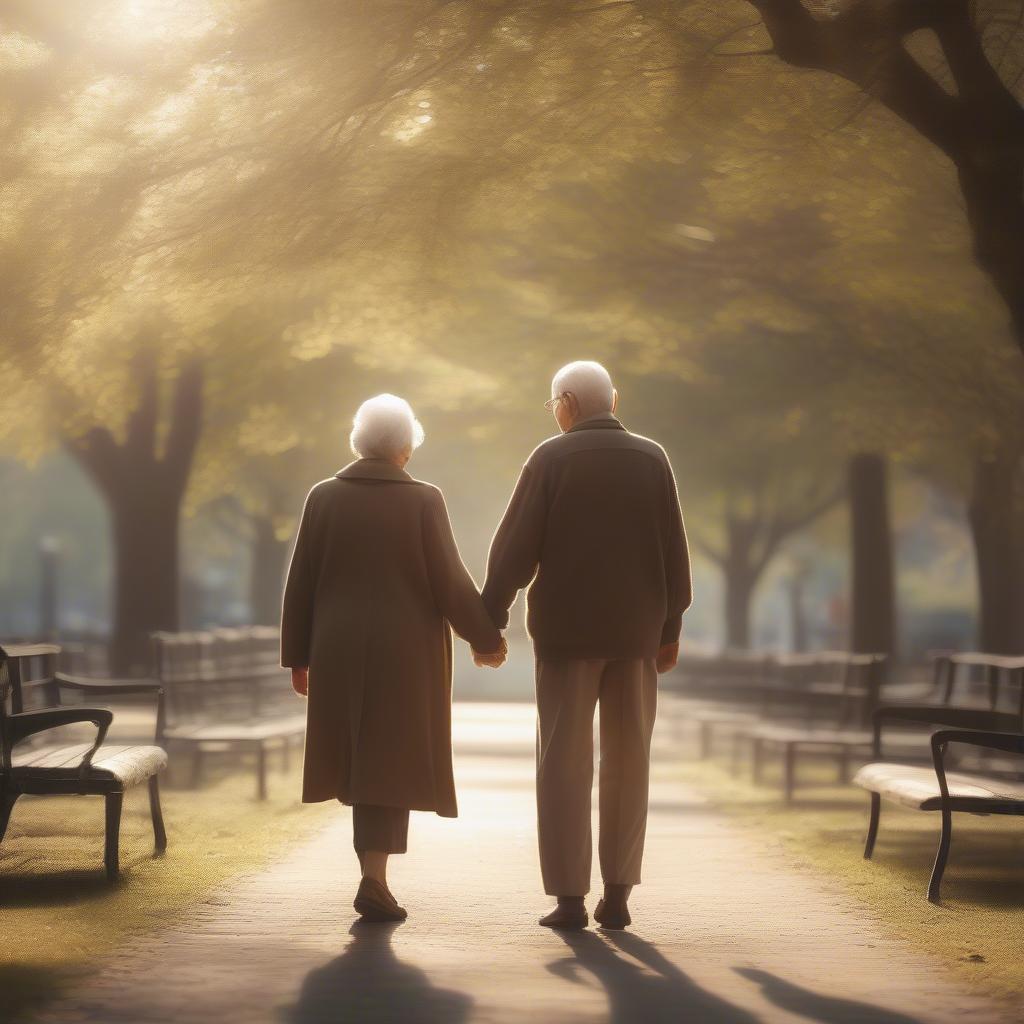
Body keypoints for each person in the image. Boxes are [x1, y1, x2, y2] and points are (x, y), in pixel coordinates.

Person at [481, 360, 691, 931]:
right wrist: (669, 629)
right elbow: (674, 548)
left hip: (567, 637)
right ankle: (618, 894)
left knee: (565, 764)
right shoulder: (653, 458)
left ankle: (570, 899)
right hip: (636, 635)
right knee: (629, 760)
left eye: (554, 406)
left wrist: (489, 619)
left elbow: (514, 549)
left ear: (568, 401)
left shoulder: (551, 459)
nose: (555, 416)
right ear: (613, 400)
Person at [281, 394, 506, 924]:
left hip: (337, 647)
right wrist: (485, 637)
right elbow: (448, 580)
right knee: (390, 759)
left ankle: (374, 876)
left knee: (360, 758)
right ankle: (374, 878)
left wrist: (298, 654)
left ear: (360, 440)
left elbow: (302, 581)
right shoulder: (422, 500)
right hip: (404, 652)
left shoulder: (323, 497)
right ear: (405, 445)